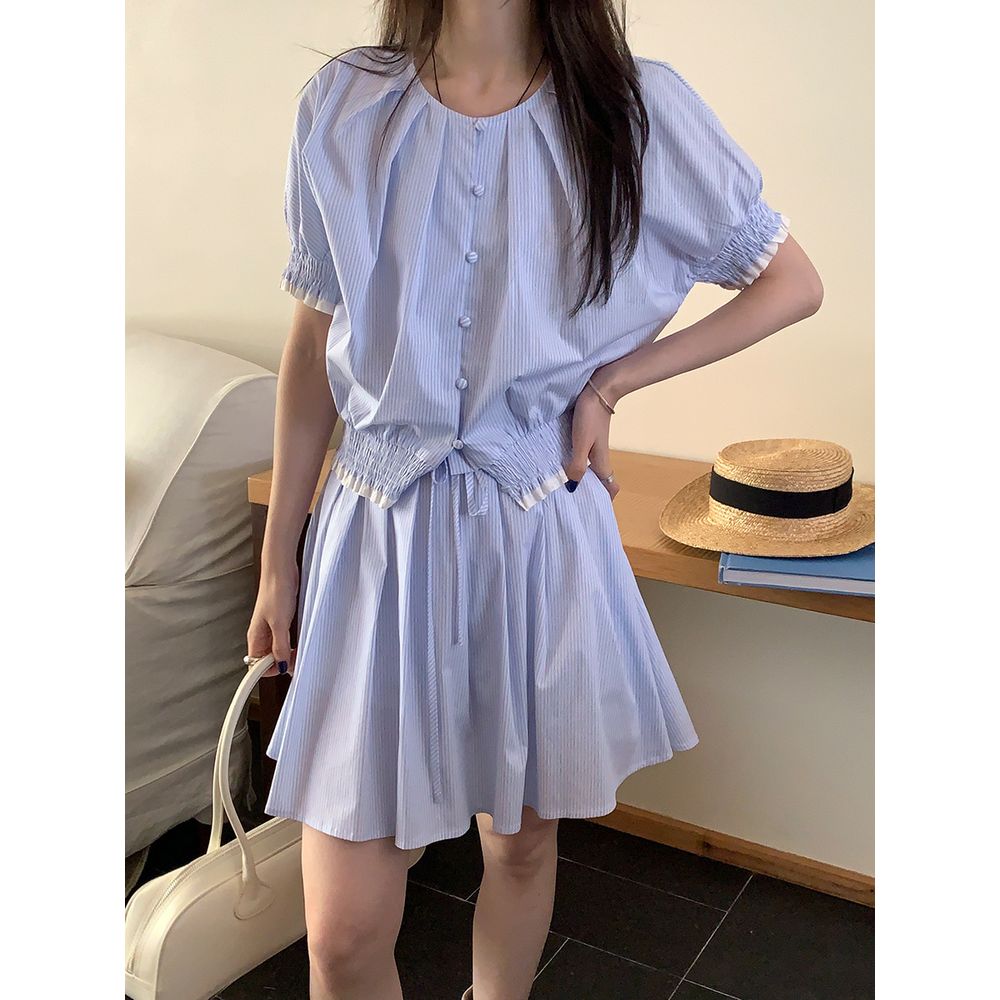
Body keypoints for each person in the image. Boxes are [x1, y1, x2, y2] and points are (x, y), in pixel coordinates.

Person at [247, 3, 823, 998]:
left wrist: (612, 383)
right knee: (340, 936)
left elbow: (789, 282)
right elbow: (311, 343)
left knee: (519, 842)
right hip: (377, 538)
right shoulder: (344, 103)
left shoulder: (634, 110)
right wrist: (278, 559)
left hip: (536, 528)